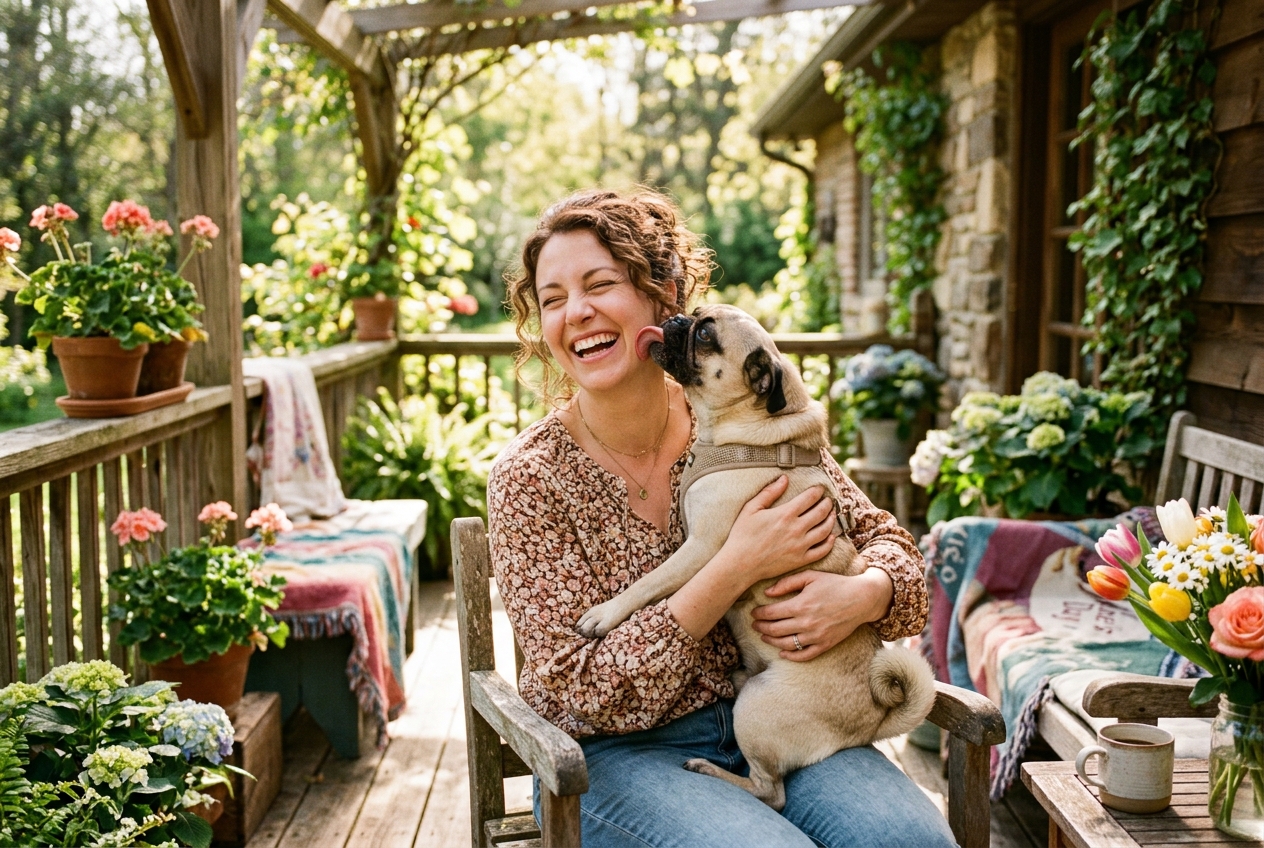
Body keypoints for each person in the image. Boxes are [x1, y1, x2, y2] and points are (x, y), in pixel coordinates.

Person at [487, 187, 956, 848]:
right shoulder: (531, 477)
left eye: (600, 284)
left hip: (784, 717)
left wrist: (860, 593)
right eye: (554, 298)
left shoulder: (750, 420)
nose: (577, 313)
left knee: (913, 844)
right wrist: (736, 566)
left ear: (662, 295)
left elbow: (890, 550)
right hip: (613, 761)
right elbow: (581, 690)